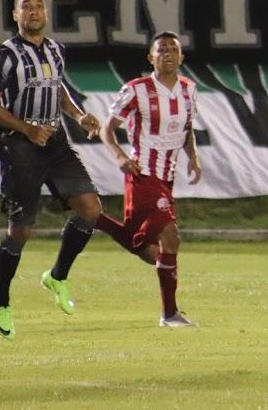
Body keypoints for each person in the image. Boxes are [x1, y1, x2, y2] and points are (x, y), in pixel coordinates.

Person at [0, 0, 103, 340]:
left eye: (38, 6)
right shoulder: (4, 57)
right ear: (15, 15)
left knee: (90, 209)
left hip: (56, 141)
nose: (33, 11)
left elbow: (58, 88)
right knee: (21, 230)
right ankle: (0, 299)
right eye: (26, 7)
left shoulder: (54, 49)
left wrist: (79, 116)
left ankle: (57, 276)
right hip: (20, 146)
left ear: (45, 13)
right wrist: (26, 129)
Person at [94, 31, 202, 328]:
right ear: (151, 58)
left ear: (181, 57)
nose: (167, 53)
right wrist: (119, 157)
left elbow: (187, 128)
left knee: (146, 248)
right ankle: (170, 314)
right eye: (161, 49)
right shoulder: (136, 90)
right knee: (171, 236)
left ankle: (94, 219)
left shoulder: (189, 90)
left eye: (173, 49)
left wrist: (193, 156)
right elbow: (107, 129)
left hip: (167, 175)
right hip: (142, 173)